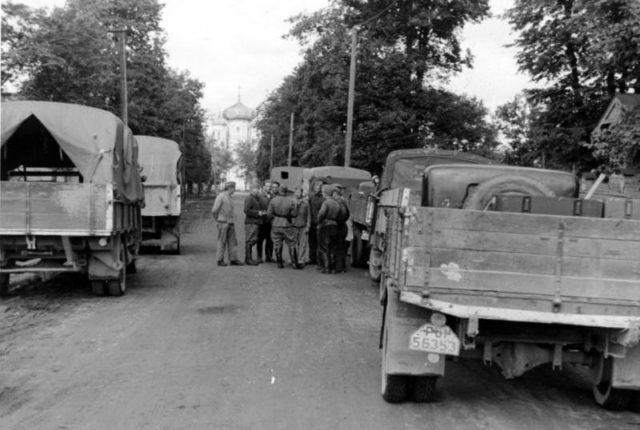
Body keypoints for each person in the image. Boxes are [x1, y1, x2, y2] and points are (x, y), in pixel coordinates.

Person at [267, 185, 301, 269]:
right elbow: (295, 214)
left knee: (277, 243)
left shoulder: (273, 200)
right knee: (292, 243)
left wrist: (273, 219)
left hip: (276, 224)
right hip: (287, 224)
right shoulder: (291, 201)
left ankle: (279, 263)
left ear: (279, 190)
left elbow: (269, 214)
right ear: (287, 191)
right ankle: (294, 263)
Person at [211, 181, 243, 266]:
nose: (234, 189)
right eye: (234, 188)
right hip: (223, 222)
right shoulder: (221, 196)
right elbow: (214, 210)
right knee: (222, 241)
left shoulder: (231, 197)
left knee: (233, 242)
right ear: (230, 188)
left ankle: (233, 259)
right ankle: (219, 260)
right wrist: (217, 219)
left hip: (231, 222)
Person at [317, 185, 340, 274]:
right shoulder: (336, 203)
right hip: (334, 226)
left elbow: (321, 214)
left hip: (325, 226)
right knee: (332, 247)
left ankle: (327, 268)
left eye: (323, 191)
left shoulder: (326, 203)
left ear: (326, 193)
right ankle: (333, 268)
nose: (322, 193)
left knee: (324, 248)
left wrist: (319, 221)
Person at [243, 182, 264, 266]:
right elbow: (246, 210)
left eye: (258, 189)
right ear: (251, 190)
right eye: (256, 189)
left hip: (255, 222)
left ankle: (248, 258)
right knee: (250, 240)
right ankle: (248, 259)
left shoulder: (255, 198)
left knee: (253, 239)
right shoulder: (249, 198)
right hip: (251, 222)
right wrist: (257, 213)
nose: (257, 190)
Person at [332, 185, 350, 273]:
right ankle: (342, 267)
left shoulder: (338, 203)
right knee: (341, 248)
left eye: (334, 194)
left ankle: (338, 267)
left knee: (337, 248)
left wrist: (336, 220)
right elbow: (347, 214)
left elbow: (342, 215)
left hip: (338, 227)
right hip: (343, 227)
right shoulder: (343, 202)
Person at [308, 180, 325, 269]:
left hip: (318, 222)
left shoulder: (323, 198)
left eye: (319, 186)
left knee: (318, 242)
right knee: (312, 241)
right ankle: (313, 258)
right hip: (313, 221)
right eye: (317, 186)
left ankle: (317, 259)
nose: (318, 188)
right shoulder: (311, 196)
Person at [292, 187, 310, 268]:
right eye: (297, 192)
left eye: (300, 192)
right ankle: (293, 259)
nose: (298, 193)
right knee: (293, 244)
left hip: (303, 226)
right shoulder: (291, 202)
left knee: (303, 244)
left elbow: (309, 216)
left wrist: (308, 226)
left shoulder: (306, 203)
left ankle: (301, 259)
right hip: (293, 226)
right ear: (294, 193)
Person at [258, 181, 273, 263]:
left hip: (270, 222)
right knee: (260, 240)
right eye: (267, 186)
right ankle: (259, 256)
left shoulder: (272, 196)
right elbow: (256, 207)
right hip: (262, 221)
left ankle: (268, 256)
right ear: (263, 187)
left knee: (269, 240)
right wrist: (261, 212)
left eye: (270, 186)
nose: (269, 188)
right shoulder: (259, 196)